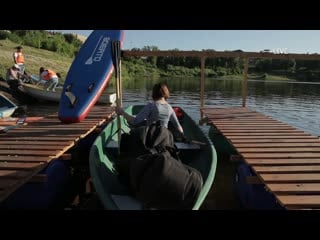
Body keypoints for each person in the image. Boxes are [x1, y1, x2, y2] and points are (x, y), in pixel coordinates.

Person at [116, 82, 184, 135]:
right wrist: (183, 137)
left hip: (151, 137)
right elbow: (178, 126)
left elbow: (135, 121)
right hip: (164, 137)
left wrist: (122, 112)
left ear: (154, 93)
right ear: (166, 93)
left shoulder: (151, 106)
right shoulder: (169, 107)